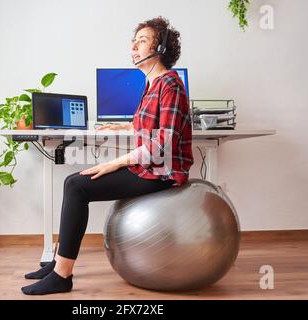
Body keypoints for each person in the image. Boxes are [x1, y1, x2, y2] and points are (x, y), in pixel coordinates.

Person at [21, 16, 193, 295]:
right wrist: (125, 125)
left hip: (163, 172)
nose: (134, 48)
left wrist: (114, 163)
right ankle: (56, 264)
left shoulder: (169, 84)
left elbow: (164, 141)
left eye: (143, 41)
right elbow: (150, 122)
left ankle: (62, 276)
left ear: (160, 48)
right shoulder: (152, 84)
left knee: (77, 185)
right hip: (149, 166)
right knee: (72, 182)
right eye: (133, 42)